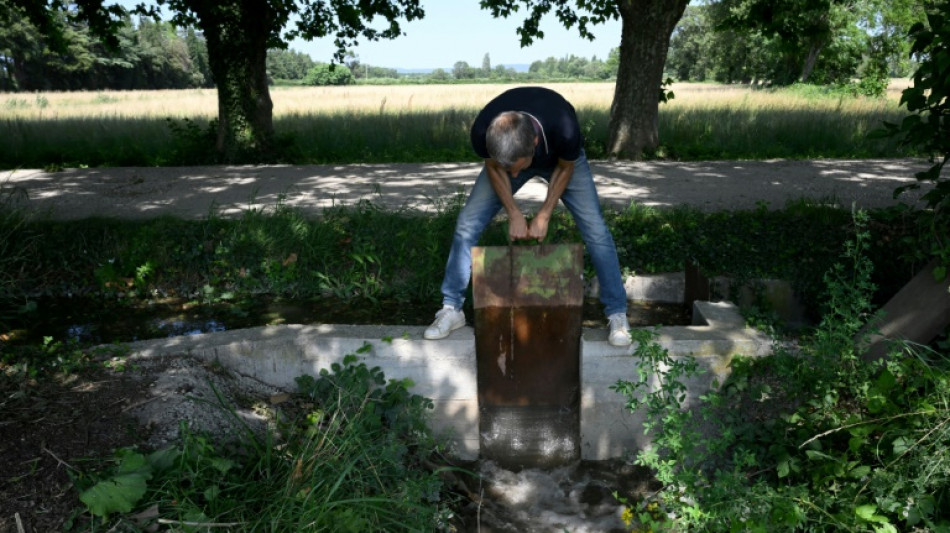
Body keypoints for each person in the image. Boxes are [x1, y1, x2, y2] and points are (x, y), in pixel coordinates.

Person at [423, 86, 632, 346]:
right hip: (509, 158)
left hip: (563, 161)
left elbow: (566, 169)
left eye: (516, 169)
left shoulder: (565, 128)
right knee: (466, 223)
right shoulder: (483, 131)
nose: (514, 177)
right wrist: (513, 212)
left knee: (596, 230)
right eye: (507, 169)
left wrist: (544, 214)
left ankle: (617, 313)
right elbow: (495, 168)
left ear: (534, 143)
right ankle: (451, 309)